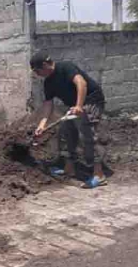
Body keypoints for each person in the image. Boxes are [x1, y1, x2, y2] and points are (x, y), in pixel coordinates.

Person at [30, 51, 108, 189]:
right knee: (65, 131)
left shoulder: (66, 67)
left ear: (44, 65)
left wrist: (79, 106)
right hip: (75, 105)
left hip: (91, 100)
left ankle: (99, 174)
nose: (37, 75)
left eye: (37, 71)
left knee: (87, 133)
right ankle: (69, 168)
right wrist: (42, 125)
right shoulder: (48, 82)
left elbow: (81, 83)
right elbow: (48, 104)